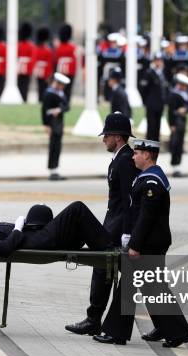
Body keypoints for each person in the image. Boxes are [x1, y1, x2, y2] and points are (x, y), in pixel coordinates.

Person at [93, 139, 188, 347]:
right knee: (153, 287)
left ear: (147, 155)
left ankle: (116, 332)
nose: (133, 156)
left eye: (137, 152)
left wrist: (135, 245)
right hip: (150, 242)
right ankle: (177, 332)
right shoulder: (147, 177)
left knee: (131, 286)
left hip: (149, 244)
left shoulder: (151, 182)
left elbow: (146, 217)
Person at [65, 112, 138, 335]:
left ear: (117, 137)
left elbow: (129, 201)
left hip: (118, 227)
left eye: (106, 135)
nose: (103, 139)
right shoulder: (120, 158)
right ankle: (94, 318)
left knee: (106, 269)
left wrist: (127, 234)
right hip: (113, 223)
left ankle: (93, 318)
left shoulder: (125, 161)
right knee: (138, 277)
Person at [0, 201, 111, 258]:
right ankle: (108, 246)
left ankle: (106, 244)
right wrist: (18, 227)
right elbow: (4, 249)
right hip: (39, 240)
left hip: (37, 235)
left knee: (42, 210)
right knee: (77, 208)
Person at [42, 73, 70, 181]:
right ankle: (52, 170)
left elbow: (67, 106)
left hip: (59, 121)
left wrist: (59, 110)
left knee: (58, 145)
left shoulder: (61, 93)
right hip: (51, 122)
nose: (63, 87)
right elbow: (44, 110)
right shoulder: (49, 93)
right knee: (53, 145)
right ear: (57, 83)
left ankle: (56, 168)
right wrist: (46, 125)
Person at [167, 73, 188, 177]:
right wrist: (172, 124)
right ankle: (175, 166)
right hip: (176, 121)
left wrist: (185, 109)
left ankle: (178, 165)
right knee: (175, 144)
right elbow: (170, 111)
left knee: (180, 143)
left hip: (182, 121)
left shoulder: (185, 94)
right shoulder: (174, 94)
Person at [140, 51, 168, 142]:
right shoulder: (149, 73)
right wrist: (146, 101)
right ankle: (150, 144)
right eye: (157, 60)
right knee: (151, 125)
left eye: (160, 60)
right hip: (151, 104)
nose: (159, 62)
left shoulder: (163, 73)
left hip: (160, 103)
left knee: (158, 125)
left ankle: (156, 144)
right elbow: (143, 89)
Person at [17, 22, 36, 102]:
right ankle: (24, 99)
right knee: (25, 85)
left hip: (18, 66)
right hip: (27, 67)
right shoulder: (31, 45)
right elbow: (33, 59)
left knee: (20, 85)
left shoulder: (18, 45)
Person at [34, 27, 54, 102]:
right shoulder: (47, 50)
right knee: (45, 88)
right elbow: (49, 63)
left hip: (38, 70)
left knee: (39, 87)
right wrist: (49, 74)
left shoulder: (36, 49)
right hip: (45, 70)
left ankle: (40, 100)